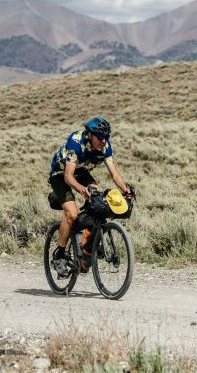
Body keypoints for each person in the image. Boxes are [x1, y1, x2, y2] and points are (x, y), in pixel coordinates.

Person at [49, 117, 132, 278]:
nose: (103, 140)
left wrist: (126, 189)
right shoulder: (76, 142)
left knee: (98, 202)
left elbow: (114, 174)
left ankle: (87, 239)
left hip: (81, 172)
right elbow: (68, 177)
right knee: (71, 214)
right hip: (61, 174)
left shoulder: (105, 147)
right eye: (100, 137)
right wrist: (81, 190)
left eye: (106, 137)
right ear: (90, 135)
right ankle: (59, 255)